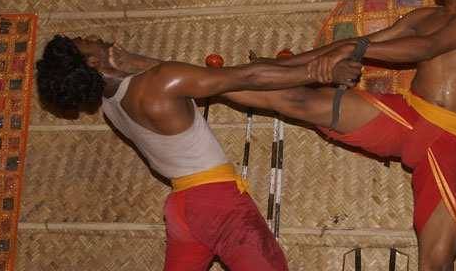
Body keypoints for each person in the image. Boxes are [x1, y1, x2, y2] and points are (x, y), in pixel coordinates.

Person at [103, 0, 456, 270]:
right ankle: (156, 69)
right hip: (406, 115)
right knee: (292, 97)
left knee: (436, 258)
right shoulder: (422, 14)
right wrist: (285, 62)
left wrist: (358, 51)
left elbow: (427, 47)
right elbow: (352, 44)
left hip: (448, 140)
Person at [35, 34, 362, 271]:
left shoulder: (111, 107)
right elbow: (247, 77)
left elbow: (162, 79)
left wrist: (132, 59)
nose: (93, 36)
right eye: (85, 42)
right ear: (93, 62)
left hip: (180, 210)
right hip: (216, 202)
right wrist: (320, 73)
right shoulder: (161, 81)